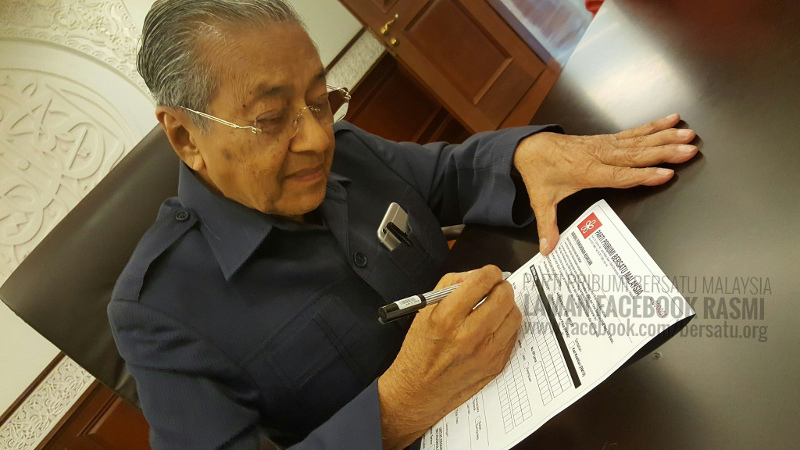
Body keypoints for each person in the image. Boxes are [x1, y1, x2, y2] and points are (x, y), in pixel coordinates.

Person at [108, 1, 698, 448]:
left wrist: (526, 155)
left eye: (320, 99)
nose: (316, 139)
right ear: (185, 137)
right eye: (270, 118)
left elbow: (451, 173)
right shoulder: (158, 312)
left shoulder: (347, 150)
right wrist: (398, 407)